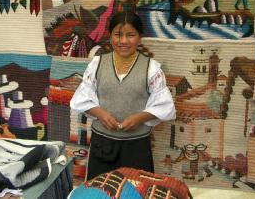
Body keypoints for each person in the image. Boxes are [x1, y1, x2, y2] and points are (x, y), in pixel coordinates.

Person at [70, 11, 176, 180]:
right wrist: (101, 114)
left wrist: (139, 118)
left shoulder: (152, 69)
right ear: (110, 35)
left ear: (139, 37)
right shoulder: (97, 64)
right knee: (100, 191)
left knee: (135, 190)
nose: (124, 41)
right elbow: (81, 99)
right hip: (102, 144)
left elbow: (165, 106)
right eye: (118, 35)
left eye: (131, 35)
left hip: (136, 146)